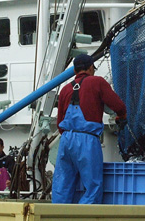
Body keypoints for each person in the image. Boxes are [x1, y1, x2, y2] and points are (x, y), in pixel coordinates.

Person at [52, 54, 127, 204]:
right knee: (93, 185)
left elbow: (60, 120)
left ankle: (57, 215)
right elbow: (119, 106)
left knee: (62, 184)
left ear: (75, 70)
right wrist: (122, 115)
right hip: (87, 139)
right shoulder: (97, 82)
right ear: (91, 67)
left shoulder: (65, 89)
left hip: (66, 140)